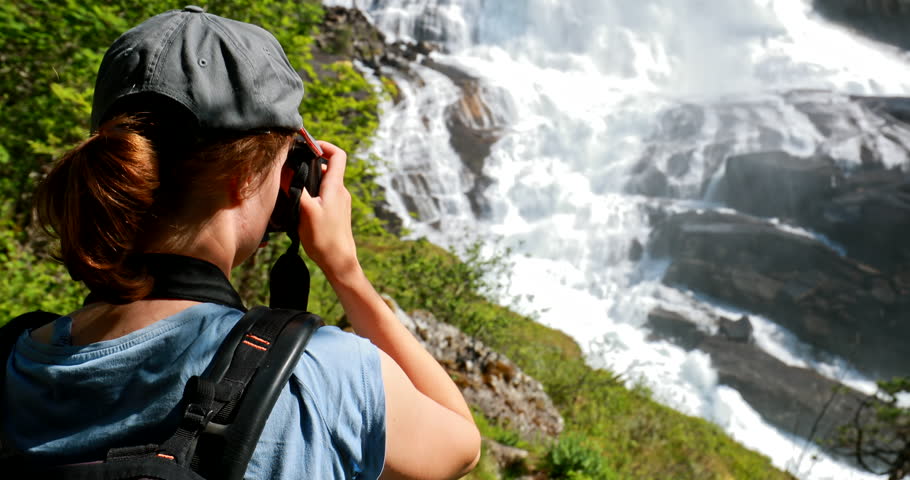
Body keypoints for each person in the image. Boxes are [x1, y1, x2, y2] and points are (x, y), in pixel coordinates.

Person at [1, 6, 480, 480]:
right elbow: (460, 448)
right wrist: (345, 271)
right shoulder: (321, 373)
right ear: (247, 177)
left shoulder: (14, 360)